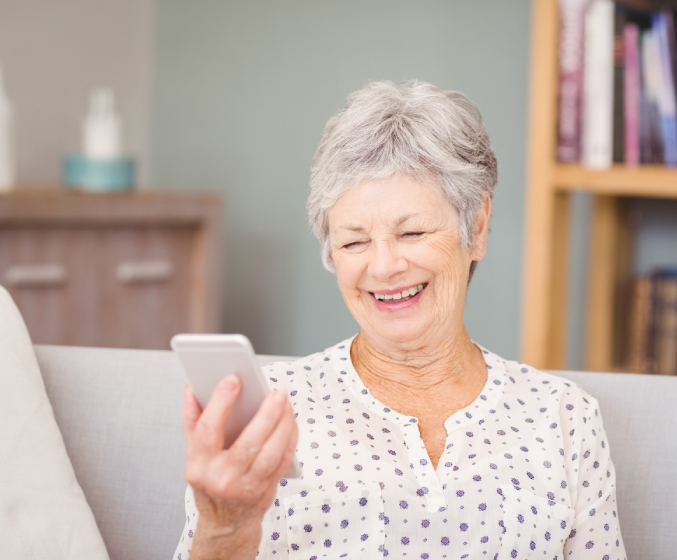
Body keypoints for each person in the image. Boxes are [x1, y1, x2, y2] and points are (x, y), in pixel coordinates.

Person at [173, 81, 626, 560]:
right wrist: (223, 529)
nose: (384, 267)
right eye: (353, 242)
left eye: (411, 232)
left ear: (475, 226)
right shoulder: (268, 413)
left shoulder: (562, 416)